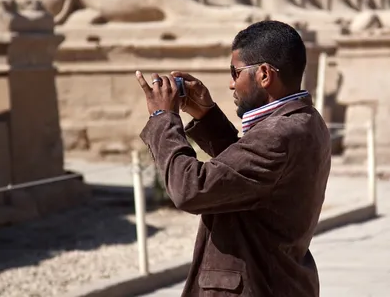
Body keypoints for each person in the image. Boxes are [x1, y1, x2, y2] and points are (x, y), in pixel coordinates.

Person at [135, 20, 331, 296]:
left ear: (264, 74)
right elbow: (244, 177)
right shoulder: (304, 120)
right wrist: (207, 115)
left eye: (235, 72)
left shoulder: (280, 133)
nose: (231, 84)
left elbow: (191, 190)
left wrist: (163, 119)